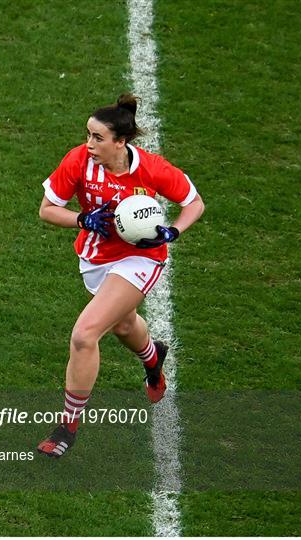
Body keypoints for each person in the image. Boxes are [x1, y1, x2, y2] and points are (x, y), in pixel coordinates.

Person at [37, 94, 204, 458]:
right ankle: (152, 357)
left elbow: (194, 203)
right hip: (96, 259)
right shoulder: (78, 160)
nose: (89, 144)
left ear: (120, 142)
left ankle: (67, 427)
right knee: (124, 325)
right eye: (88, 135)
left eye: (97, 138)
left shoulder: (153, 169)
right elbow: (47, 210)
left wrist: (173, 232)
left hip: (140, 259)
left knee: (84, 335)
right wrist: (83, 219)